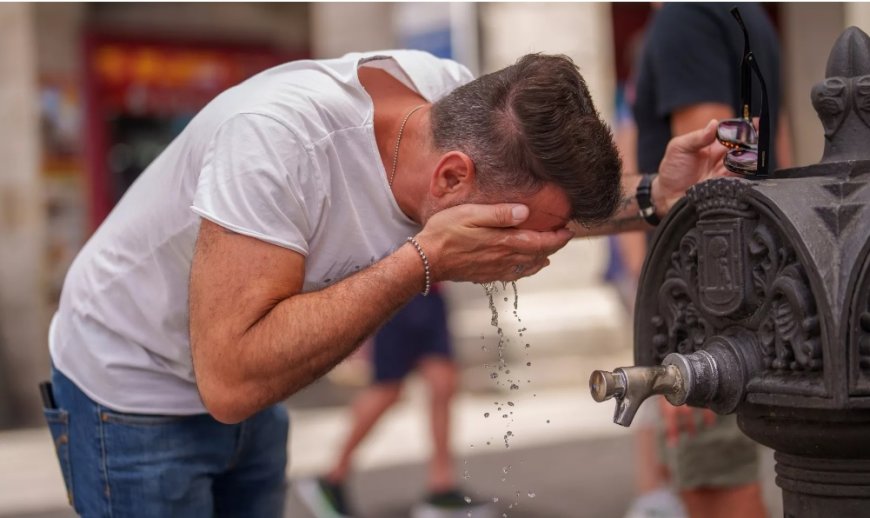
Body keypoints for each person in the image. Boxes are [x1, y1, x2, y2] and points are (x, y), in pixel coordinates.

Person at [43, 49, 727, 516]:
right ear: (452, 177)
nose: (528, 253)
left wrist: (650, 199)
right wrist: (422, 262)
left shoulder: (454, 102)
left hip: (252, 392)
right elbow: (229, 378)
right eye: (511, 232)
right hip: (128, 389)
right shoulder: (277, 146)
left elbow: (542, 210)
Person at [630, 4, 791, 517]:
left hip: (709, 302)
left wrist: (694, 338)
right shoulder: (744, 14)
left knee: (718, 491)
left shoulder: (687, 17)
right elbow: (769, 153)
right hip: (747, 282)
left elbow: (713, 176)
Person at [296, 286, 486, 517]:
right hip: (396, 293)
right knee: (388, 389)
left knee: (443, 383)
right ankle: (332, 478)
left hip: (432, 291)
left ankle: (441, 486)